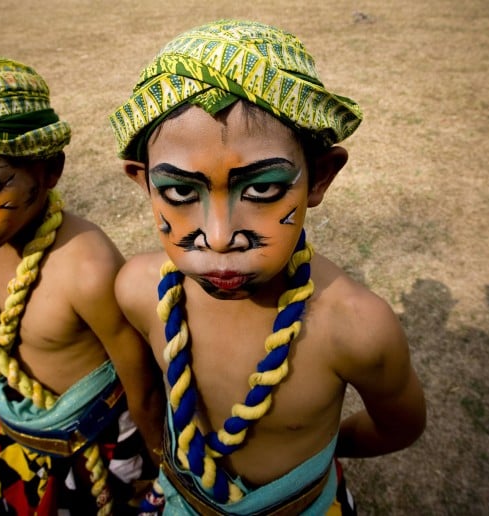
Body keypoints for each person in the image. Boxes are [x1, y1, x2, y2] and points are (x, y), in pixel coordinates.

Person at [108, 20, 426, 515]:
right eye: (179, 192)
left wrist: (316, 458)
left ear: (319, 177)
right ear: (143, 182)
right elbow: (147, 397)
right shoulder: (135, 291)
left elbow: (400, 425)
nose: (218, 238)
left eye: (260, 189)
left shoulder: (356, 328)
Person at [0, 56, 165, 515]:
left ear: (49, 171)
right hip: (22, 440)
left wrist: (163, 470)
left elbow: (142, 387)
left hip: (94, 452)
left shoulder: (86, 267)